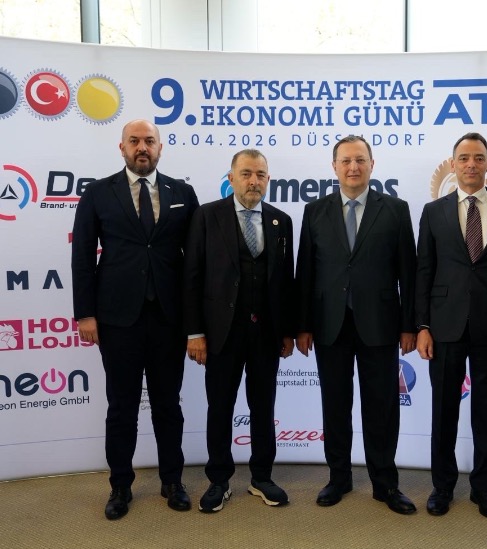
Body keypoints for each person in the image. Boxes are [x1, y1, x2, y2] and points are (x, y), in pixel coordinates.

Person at [71, 119, 199, 519]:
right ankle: (120, 486)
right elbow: (81, 257)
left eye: (149, 141)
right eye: (134, 141)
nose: (142, 147)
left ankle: (172, 481)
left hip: (169, 319)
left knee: (168, 405)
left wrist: (195, 322)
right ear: (122, 147)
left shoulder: (183, 193)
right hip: (116, 319)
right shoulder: (98, 193)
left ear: (160, 147)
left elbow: (195, 263)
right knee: (122, 406)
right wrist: (85, 313)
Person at [296, 135, 417, 515]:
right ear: (334, 167)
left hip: (380, 324)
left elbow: (409, 273)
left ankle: (385, 483)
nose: (353, 167)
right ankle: (339, 478)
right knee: (335, 405)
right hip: (329, 324)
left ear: (371, 165)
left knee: (382, 407)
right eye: (346, 161)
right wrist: (303, 325)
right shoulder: (314, 211)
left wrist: (410, 326)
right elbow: (306, 272)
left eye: (360, 160)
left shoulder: (395, 209)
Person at [415, 132, 487, 519]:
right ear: (453, 164)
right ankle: (442, 487)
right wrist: (422, 326)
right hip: (443, 328)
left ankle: (483, 489)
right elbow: (424, 272)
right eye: (464, 158)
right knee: (444, 412)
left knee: (486, 413)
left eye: (478, 158)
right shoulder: (433, 212)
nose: (471, 164)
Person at [183, 149, 295, 513]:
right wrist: (194, 332)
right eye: (246, 173)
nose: (253, 181)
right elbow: (192, 277)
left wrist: (287, 331)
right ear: (231, 178)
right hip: (220, 333)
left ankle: (262, 477)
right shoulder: (206, 216)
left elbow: (286, 282)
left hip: (266, 334)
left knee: (263, 407)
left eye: (260, 174)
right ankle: (219, 480)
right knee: (220, 407)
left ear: (268, 179)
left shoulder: (281, 221)